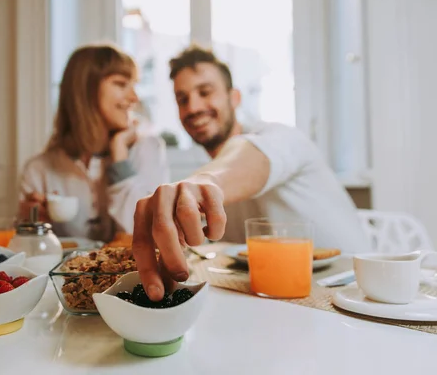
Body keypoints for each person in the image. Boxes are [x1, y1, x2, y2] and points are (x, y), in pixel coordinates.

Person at [132, 45, 369, 301]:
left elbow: (246, 156)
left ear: (235, 98)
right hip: (279, 299)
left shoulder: (280, 137)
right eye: (182, 99)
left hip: (352, 290)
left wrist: (202, 183)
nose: (193, 107)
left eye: (205, 92)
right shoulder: (212, 171)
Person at [18, 44, 169, 242]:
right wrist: (30, 222)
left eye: (134, 85)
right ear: (85, 90)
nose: (134, 98)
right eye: (121, 84)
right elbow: (28, 251)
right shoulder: (39, 170)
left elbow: (150, 233)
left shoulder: (148, 149)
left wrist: (120, 159)